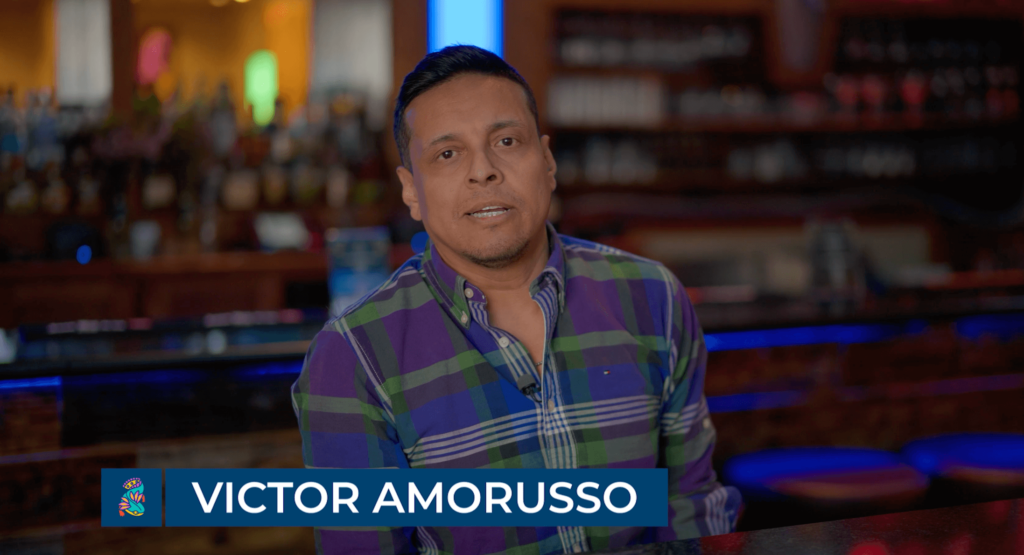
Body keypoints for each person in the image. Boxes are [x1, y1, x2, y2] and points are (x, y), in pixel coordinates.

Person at [291, 45, 741, 555]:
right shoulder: (352, 356)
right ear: (411, 191)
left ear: (546, 162)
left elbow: (691, 507)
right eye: (447, 154)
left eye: (506, 141)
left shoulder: (652, 297)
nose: (483, 171)